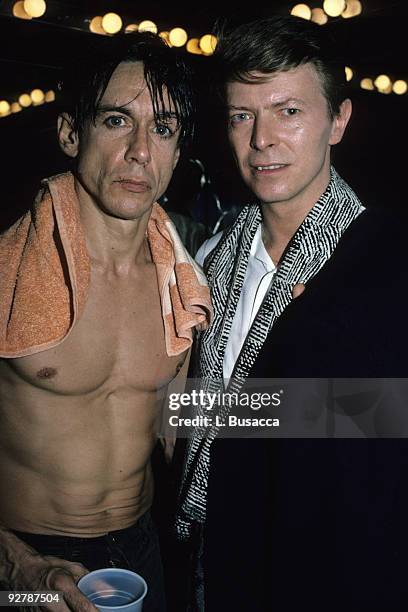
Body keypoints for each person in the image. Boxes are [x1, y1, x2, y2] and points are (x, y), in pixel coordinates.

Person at [176, 15, 408, 612]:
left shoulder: (387, 258)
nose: (261, 140)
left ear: (339, 120)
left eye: (289, 111)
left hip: (335, 573)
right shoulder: (213, 253)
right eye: (241, 115)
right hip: (209, 562)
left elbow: (391, 419)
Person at [0, 32, 212, 612]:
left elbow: (184, 423)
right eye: (118, 121)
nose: (142, 150)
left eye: (163, 129)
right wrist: (17, 565)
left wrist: (358, 408)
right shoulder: (7, 273)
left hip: (143, 550)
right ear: (71, 133)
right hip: (25, 564)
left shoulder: (185, 284)